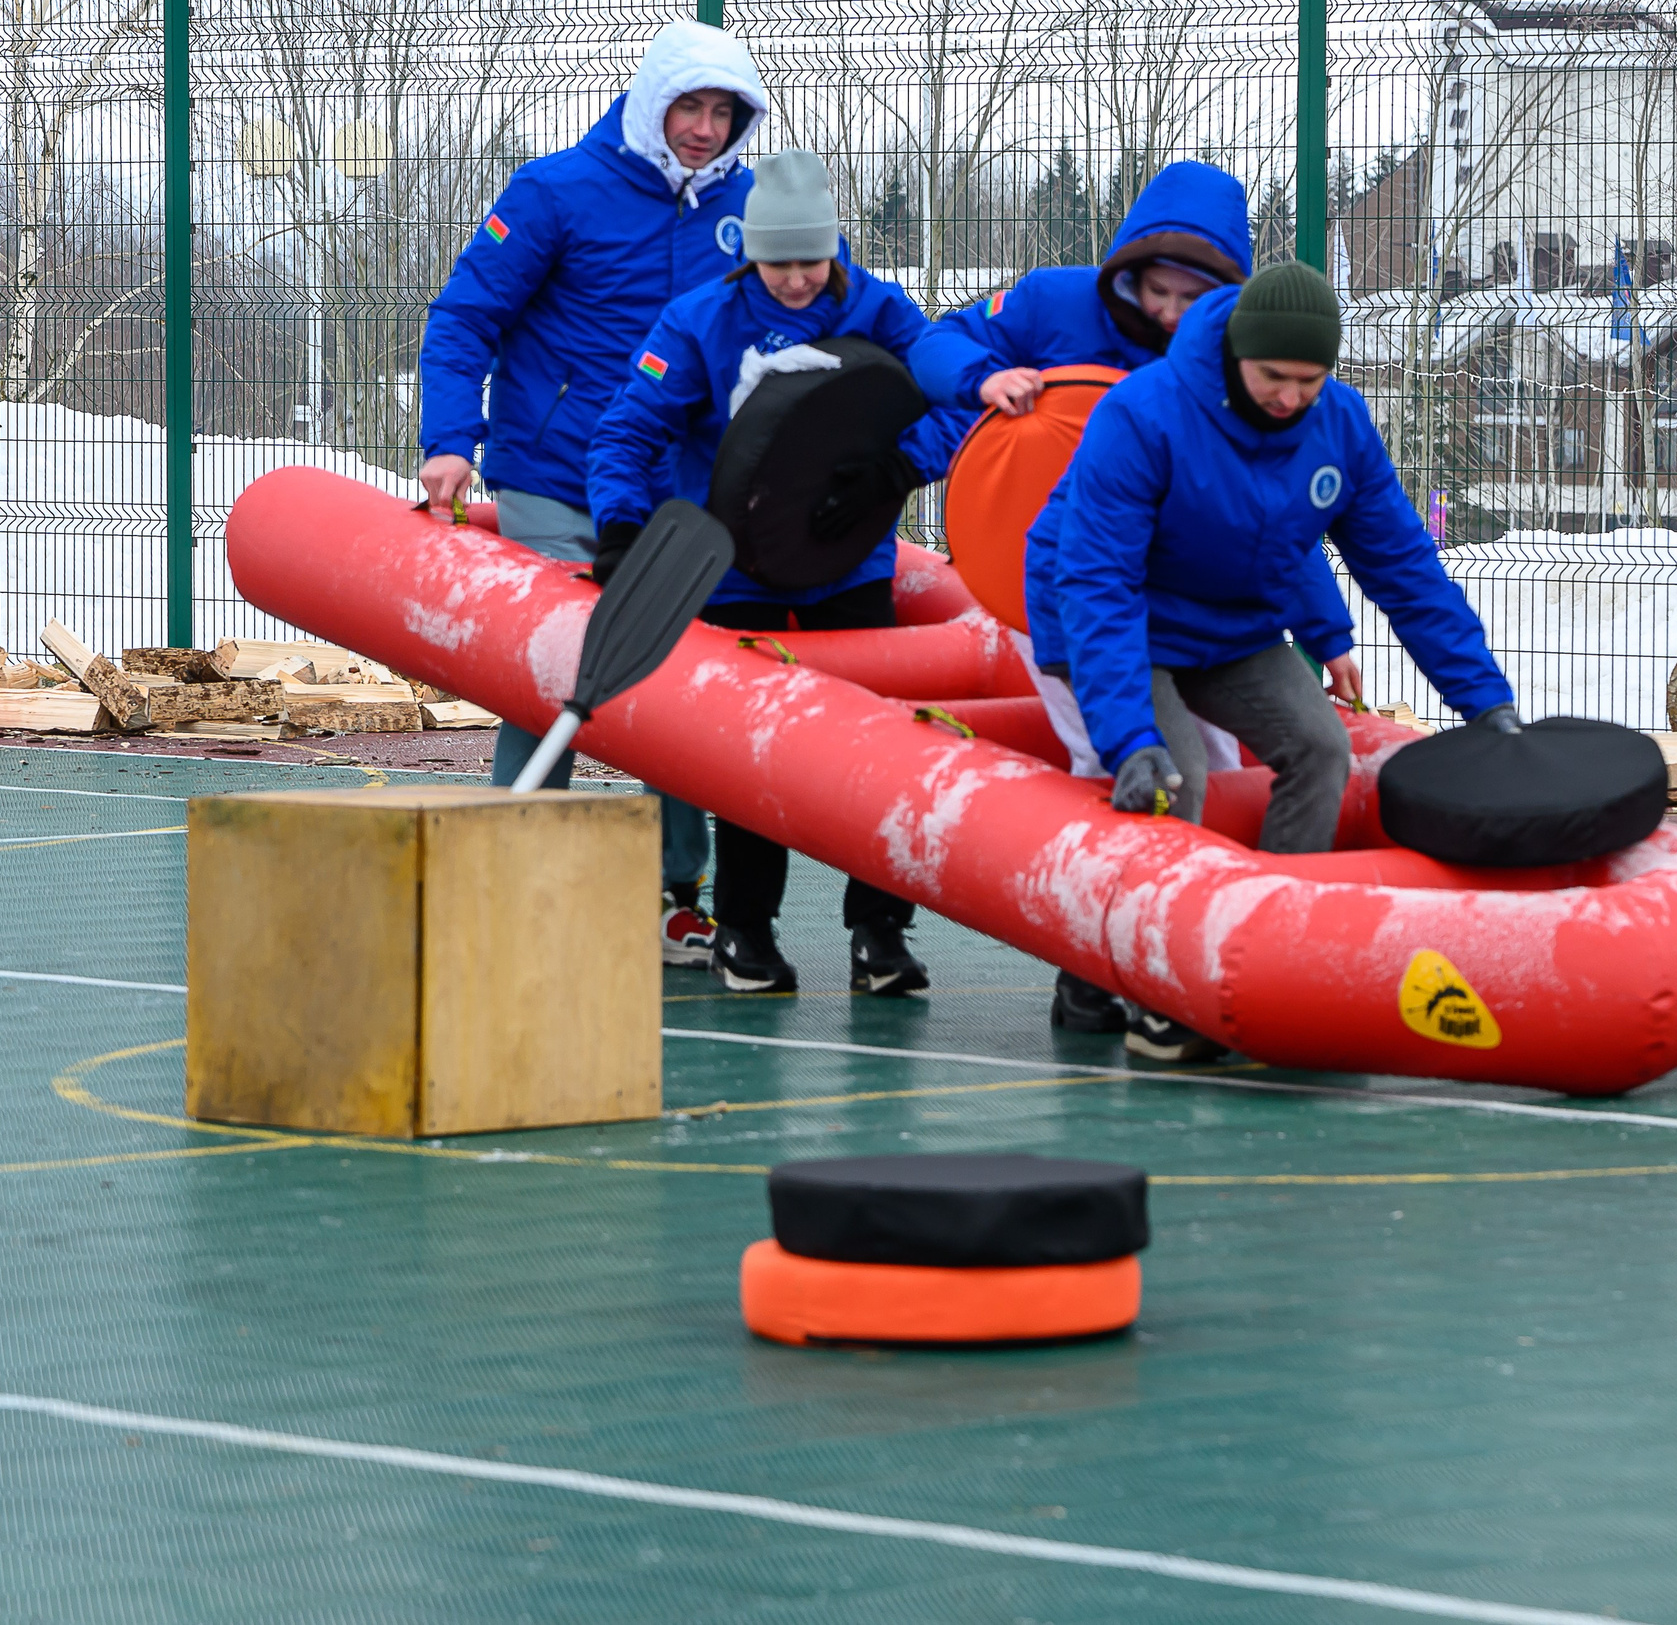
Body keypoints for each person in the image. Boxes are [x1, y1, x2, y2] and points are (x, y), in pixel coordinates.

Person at [1056, 263, 1519, 1060]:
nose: (1290, 397)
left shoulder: (1337, 423)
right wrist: (1129, 736)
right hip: (1119, 616)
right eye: (1274, 376)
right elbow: (1099, 583)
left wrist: (1486, 702)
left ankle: (1268, 949)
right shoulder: (1145, 414)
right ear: (1238, 353)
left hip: (1233, 625)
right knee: (1175, 775)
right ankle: (1147, 982)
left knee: (1319, 747)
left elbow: (1403, 566)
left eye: (1310, 379)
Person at [417, 19, 768, 972]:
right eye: (688, 107)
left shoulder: (748, 209)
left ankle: (674, 896)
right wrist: (450, 439)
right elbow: (464, 318)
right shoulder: (556, 191)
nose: (703, 128)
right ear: (653, 103)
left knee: (680, 684)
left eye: (722, 112)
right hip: (556, 472)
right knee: (553, 666)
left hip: (677, 490)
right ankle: (508, 870)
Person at [584, 150, 967, 998]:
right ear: (748, 253)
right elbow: (627, 430)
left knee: (880, 752)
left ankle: (880, 931)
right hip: (738, 573)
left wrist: (897, 468)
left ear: (835, 249)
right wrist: (620, 529)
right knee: (752, 757)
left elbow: (956, 397)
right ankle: (747, 933)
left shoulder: (881, 310)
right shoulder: (699, 323)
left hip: (846, 566)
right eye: (777, 261)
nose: (795, 279)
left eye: (810, 259)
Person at [908, 160, 1259, 1034]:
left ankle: (1194, 949)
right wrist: (980, 381)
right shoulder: (1052, 305)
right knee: (1115, 757)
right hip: (1050, 592)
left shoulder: (1233, 354)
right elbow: (937, 342)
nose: (1169, 311)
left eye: (1194, 294)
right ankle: (1093, 969)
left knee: (1214, 760)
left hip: (1177, 596)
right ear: (1127, 269)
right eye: (1156, 286)